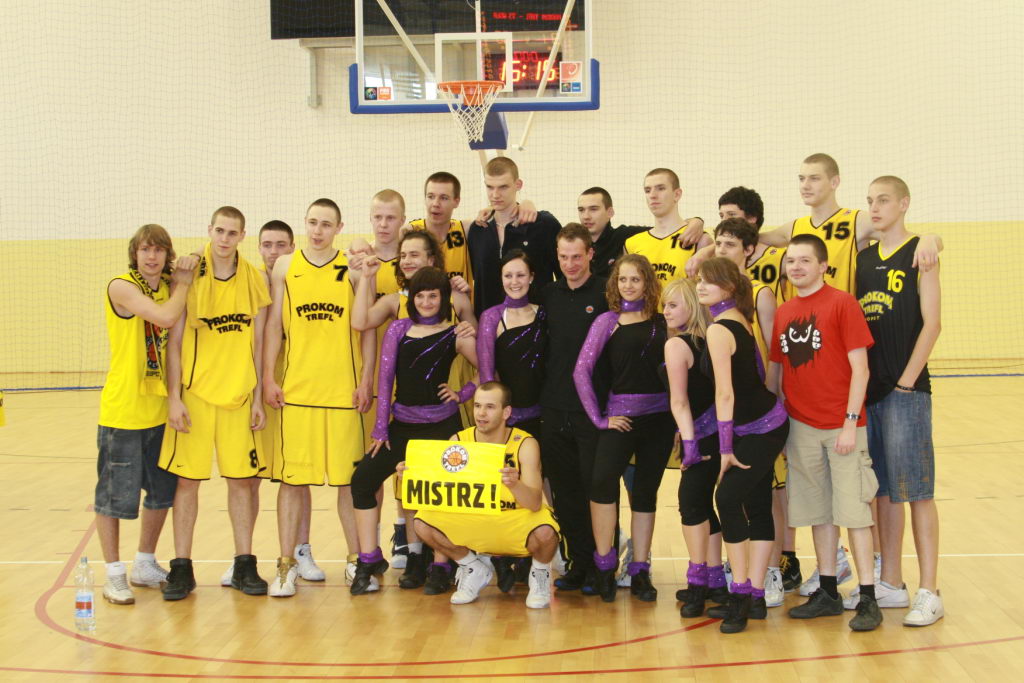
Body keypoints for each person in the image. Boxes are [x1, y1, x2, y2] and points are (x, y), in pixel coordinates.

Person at [262, 198, 376, 598]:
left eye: (326, 224)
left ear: (339, 228)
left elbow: (366, 328)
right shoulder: (284, 266)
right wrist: (267, 377)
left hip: (344, 393)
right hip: (297, 393)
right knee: (292, 483)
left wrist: (366, 378)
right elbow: (273, 328)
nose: (317, 230)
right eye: (312, 222)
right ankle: (285, 564)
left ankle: (355, 561)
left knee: (348, 483)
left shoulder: (352, 268)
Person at [769, 234, 882, 631]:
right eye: (791, 261)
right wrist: (781, 426)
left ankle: (867, 596)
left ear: (822, 266)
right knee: (818, 512)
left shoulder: (842, 303)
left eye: (805, 260)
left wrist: (850, 421)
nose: (796, 267)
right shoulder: (784, 312)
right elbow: (780, 373)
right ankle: (829, 591)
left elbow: (861, 369)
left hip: (842, 426)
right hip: (801, 427)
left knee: (854, 513)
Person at [158, 206, 271, 600]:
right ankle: (181, 567)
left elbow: (258, 341)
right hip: (195, 397)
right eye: (219, 231)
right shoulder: (188, 274)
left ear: (242, 236)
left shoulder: (254, 278)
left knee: (241, 482)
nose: (224, 239)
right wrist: (174, 397)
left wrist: (257, 397)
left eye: (232, 233)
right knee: (187, 482)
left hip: (238, 397)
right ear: (209, 230)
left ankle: (244, 564)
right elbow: (173, 343)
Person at [349, 267, 478, 596]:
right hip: (402, 427)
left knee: (442, 496)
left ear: (444, 298)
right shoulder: (398, 329)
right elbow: (385, 379)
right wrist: (381, 429)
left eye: (433, 295)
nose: (427, 302)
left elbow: (489, 370)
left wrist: (462, 393)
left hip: (443, 428)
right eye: (420, 296)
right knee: (363, 480)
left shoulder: (456, 333)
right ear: (412, 298)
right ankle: (369, 559)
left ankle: (441, 565)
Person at [853, 176, 943, 626]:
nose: (875, 208)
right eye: (870, 201)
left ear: (904, 203)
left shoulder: (920, 254)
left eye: (884, 200)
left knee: (917, 492)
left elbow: (933, 323)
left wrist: (906, 383)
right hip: (869, 393)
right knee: (883, 492)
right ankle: (891, 581)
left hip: (905, 393)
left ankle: (930, 590)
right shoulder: (864, 259)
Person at [95, 224, 195, 605]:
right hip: (122, 413)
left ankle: (144, 562)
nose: (151, 256)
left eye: (159, 250)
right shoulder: (121, 287)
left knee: (161, 493)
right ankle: (113, 574)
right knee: (114, 498)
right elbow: (165, 318)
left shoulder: (168, 288)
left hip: (158, 412)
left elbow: (173, 348)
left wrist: (174, 398)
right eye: (144, 250)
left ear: (167, 255)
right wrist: (183, 283)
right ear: (134, 254)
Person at [694, 258, 790, 633]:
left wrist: (725, 448)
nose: (701, 286)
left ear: (729, 287)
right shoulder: (736, 317)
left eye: (709, 281)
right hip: (762, 424)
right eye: (699, 280)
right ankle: (755, 597)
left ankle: (741, 593)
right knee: (757, 504)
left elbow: (725, 392)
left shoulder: (721, 328)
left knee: (728, 498)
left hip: (762, 428)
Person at [574, 253, 675, 602]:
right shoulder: (608, 321)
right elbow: (581, 371)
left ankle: (640, 570)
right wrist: (599, 419)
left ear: (648, 283)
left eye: (635, 279)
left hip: (660, 419)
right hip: (620, 418)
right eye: (622, 279)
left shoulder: (664, 322)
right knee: (601, 484)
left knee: (645, 493)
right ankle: (605, 566)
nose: (628, 285)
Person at [407, 382, 560, 608]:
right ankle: (471, 567)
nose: (481, 413)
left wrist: (515, 484)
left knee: (547, 532)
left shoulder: (525, 444)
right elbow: (441, 490)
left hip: (513, 518)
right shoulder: (458, 441)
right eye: (477, 406)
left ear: (506, 412)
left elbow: (535, 503)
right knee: (422, 522)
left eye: (490, 407)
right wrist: (411, 474)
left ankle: (539, 574)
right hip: (475, 520)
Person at [712, 217, 790, 607]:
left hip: (760, 417)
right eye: (718, 243)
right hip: (743, 419)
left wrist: (772, 401)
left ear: (748, 250)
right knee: (753, 499)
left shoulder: (757, 296)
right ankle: (751, 588)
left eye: (730, 243)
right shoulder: (719, 312)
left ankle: (756, 580)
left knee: (739, 497)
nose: (722, 249)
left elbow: (771, 356)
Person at [538, 223, 609, 593]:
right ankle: (578, 565)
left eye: (577, 256)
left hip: (593, 410)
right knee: (564, 493)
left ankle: (603, 565)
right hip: (553, 408)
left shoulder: (606, 293)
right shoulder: (548, 294)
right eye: (564, 257)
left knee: (595, 490)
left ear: (590, 254)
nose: (570, 264)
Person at [476, 249, 548, 590]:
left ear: (532, 277)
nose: (515, 281)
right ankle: (501, 556)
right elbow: (487, 373)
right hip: (507, 420)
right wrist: (497, 420)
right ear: (501, 279)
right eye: (508, 275)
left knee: (535, 486)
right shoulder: (492, 317)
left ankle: (534, 554)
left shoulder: (544, 314)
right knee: (502, 487)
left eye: (521, 275)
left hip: (541, 415)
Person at [661, 278, 730, 615]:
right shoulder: (711, 339)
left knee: (690, 505)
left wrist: (689, 443)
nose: (665, 311)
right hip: (720, 434)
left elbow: (680, 401)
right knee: (703, 505)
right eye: (664, 305)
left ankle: (698, 582)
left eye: (673, 305)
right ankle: (715, 580)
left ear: (691, 305)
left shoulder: (676, 345)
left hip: (701, 438)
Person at [468, 157, 562, 316]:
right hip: (489, 325)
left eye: (503, 187)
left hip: (538, 324)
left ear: (518, 185)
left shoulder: (544, 225)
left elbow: (563, 277)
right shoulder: (478, 230)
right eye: (490, 187)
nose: (495, 195)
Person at [624, 169, 711, 284]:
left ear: (677, 194)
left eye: (661, 188)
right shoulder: (632, 243)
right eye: (648, 190)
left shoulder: (698, 238)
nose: (653, 195)